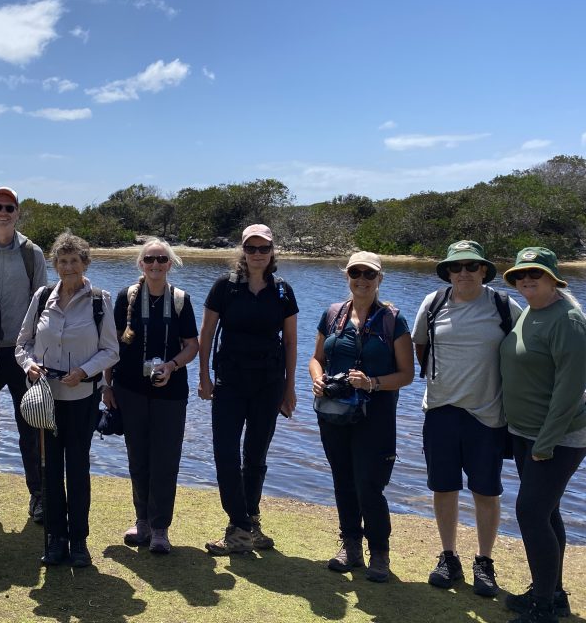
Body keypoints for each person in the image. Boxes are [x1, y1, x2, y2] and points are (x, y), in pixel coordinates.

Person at [412, 240, 522, 596]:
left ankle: (484, 562)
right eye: (456, 267)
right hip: (441, 412)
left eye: (471, 267)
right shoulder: (433, 303)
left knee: (486, 492)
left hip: (488, 415)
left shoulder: (504, 305)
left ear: (484, 271)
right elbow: (420, 346)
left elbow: (530, 348)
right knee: (443, 488)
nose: (463, 273)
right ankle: (448, 557)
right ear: (448, 272)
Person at [499, 248, 586, 623]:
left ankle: (542, 608)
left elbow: (570, 387)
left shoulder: (568, 319)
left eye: (535, 274)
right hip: (525, 432)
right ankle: (553, 595)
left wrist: (547, 441)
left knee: (531, 513)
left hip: (558, 437)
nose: (526, 280)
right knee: (547, 512)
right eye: (521, 275)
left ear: (553, 278)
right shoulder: (528, 314)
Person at [308, 251, 413, 582]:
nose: (362, 280)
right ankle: (350, 545)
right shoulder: (332, 314)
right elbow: (316, 358)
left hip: (376, 417)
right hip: (335, 414)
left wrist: (373, 383)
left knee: (369, 485)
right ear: (347, 276)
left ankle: (379, 552)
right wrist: (317, 379)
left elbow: (407, 374)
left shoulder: (392, 320)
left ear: (380, 279)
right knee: (343, 480)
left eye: (370, 275)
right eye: (356, 273)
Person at [16, 231, 118, 567]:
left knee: (77, 470)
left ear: (85, 263)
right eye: (63, 261)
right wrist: (30, 366)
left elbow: (111, 351)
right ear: (55, 264)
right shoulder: (42, 296)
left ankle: (79, 542)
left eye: (75, 260)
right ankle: (56, 540)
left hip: (81, 399)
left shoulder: (100, 300)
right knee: (49, 471)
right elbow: (22, 344)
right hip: (45, 401)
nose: (69, 266)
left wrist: (85, 372)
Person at [198, 224, 298, 556]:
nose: (257, 254)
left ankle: (250, 522)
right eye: (251, 249)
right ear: (243, 251)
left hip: (268, 384)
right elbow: (207, 336)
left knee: (255, 456)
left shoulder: (282, 291)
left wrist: (289, 388)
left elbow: (291, 343)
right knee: (225, 454)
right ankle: (238, 525)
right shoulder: (225, 288)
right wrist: (203, 377)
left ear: (272, 252)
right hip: (229, 382)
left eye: (263, 248)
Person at [105, 239, 199, 554]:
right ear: (141, 264)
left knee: (165, 460)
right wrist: (107, 386)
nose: (155, 264)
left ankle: (160, 529)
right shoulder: (125, 297)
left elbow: (192, 346)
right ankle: (142, 522)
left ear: (170, 263)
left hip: (171, 393)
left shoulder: (180, 300)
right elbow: (111, 346)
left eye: (161, 259)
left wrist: (172, 366)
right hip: (129, 390)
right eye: (149, 259)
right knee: (138, 458)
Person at [0, 187, 47, 525]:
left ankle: (38, 495)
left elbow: (44, 304)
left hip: (21, 355)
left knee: (30, 425)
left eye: (9, 208)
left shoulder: (33, 253)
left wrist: (37, 354)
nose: (3, 212)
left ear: (17, 213)